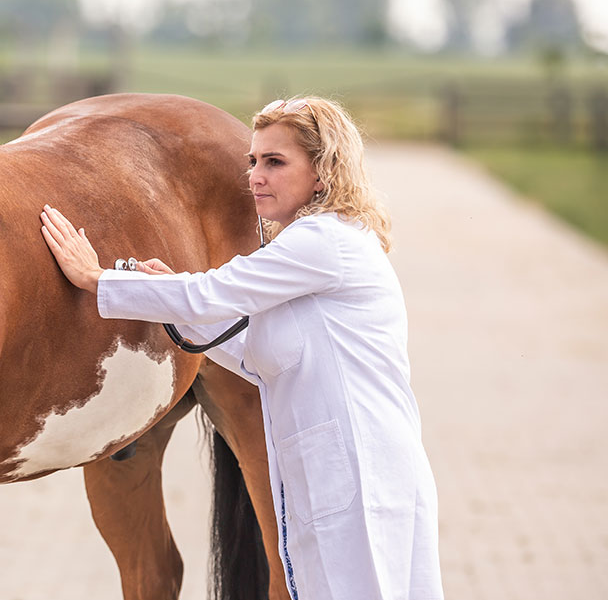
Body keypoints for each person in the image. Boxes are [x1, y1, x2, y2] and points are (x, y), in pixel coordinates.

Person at [40, 96, 443, 599]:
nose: (255, 176)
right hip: (328, 474)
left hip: (363, 473)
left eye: (275, 162)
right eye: (253, 161)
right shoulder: (312, 243)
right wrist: (168, 298)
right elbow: (248, 350)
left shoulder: (324, 241)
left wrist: (96, 278)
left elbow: (211, 293)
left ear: (323, 172)